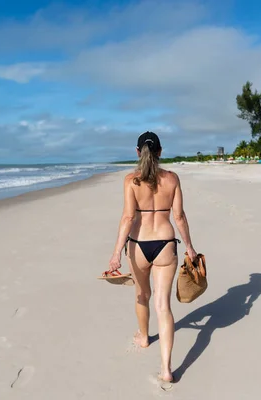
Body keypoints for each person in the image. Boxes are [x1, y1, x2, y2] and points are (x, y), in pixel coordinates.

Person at [107, 131, 198, 384]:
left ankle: (144, 337)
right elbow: (179, 216)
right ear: (160, 151)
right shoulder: (172, 179)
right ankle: (167, 369)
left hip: (138, 245)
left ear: (137, 152)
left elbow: (127, 218)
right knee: (163, 306)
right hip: (165, 245)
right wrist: (189, 246)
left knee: (141, 295)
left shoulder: (130, 180)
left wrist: (116, 254)